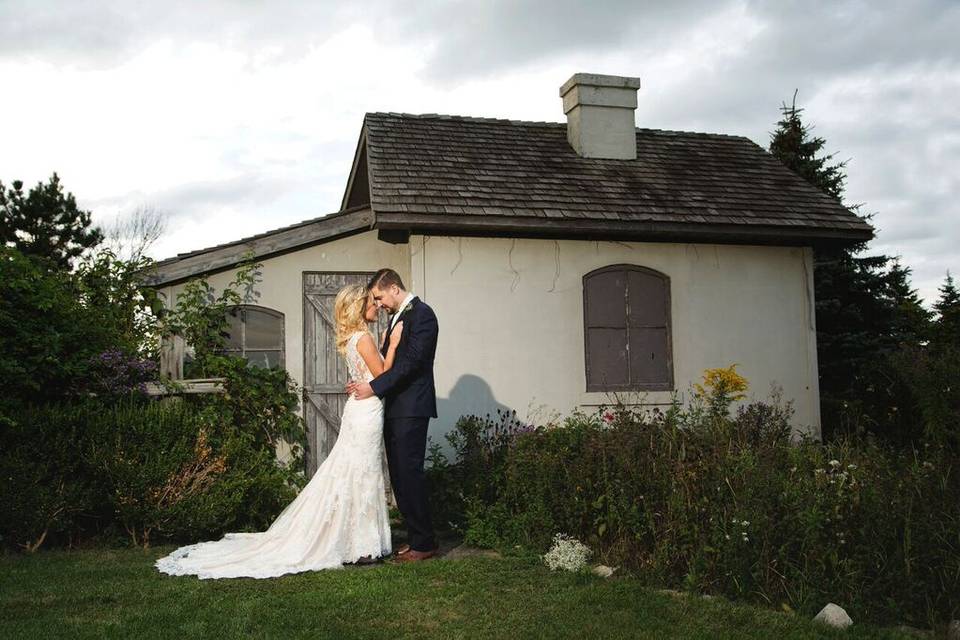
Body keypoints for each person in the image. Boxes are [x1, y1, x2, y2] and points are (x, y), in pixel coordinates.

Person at [155, 284, 403, 579]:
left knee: (354, 470)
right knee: (362, 470)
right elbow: (384, 376)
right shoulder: (363, 338)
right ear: (359, 307)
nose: (376, 306)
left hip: (359, 408)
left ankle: (358, 542)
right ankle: (361, 546)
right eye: (371, 302)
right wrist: (395, 344)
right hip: (367, 411)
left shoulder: (352, 338)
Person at [347, 268, 439, 562]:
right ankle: (416, 540)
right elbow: (391, 363)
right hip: (395, 408)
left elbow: (410, 364)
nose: (378, 304)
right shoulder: (397, 318)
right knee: (400, 477)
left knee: (409, 474)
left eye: (379, 297)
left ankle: (424, 545)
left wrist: (373, 387)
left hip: (411, 408)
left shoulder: (423, 315)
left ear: (393, 289)